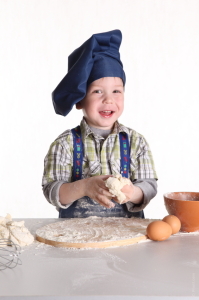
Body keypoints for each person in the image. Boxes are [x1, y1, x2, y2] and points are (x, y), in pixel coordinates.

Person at [42, 30, 158, 218]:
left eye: (116, 91)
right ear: (79, 100)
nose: (108, 100)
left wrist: (132, 192)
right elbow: (52, 191)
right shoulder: (64, 144)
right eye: (97, 92)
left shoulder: (136, 142)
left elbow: (149, 186)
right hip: (77, 237)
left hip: (126, 236)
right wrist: (85, 186)